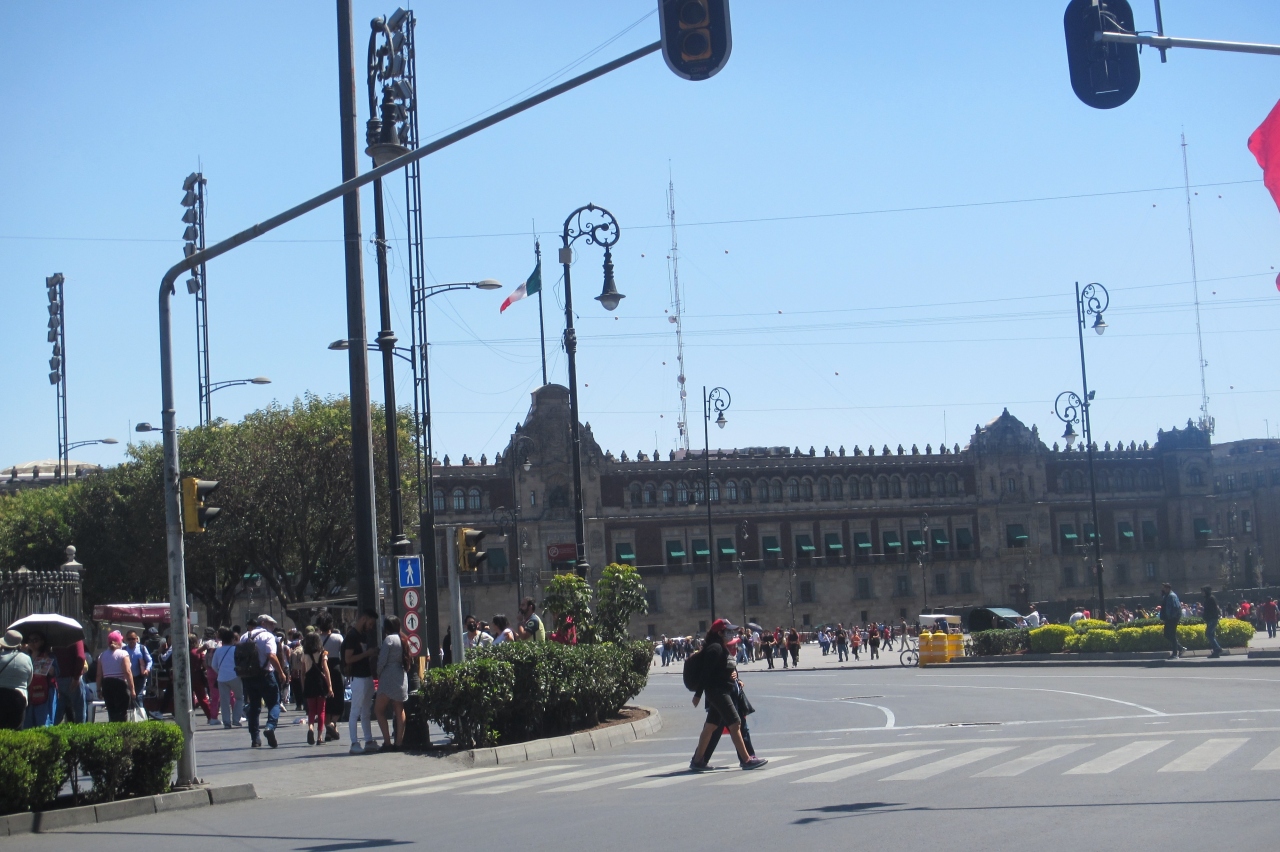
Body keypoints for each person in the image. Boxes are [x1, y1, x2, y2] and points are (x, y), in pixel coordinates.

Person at [689, 619, 767, 771]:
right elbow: (706, 673)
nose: (732, 634)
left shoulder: (720, 647)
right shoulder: (715, 648)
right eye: (728, 631)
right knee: (735, 723)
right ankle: (746, 760)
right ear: (719, 633)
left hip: (720, 691)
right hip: (719, 692)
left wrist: (735, 677)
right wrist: (698, 695)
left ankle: (697, 761)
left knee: (711, 726)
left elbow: (721, 670)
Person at [241, 614, 286, 748]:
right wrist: (281, 672)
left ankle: (255, 739)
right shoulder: (267, 636)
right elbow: (271, 655)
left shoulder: (244, 637)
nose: (273, 627)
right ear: (263, 623)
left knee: (254, 707)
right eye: (271, 624)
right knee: (274, 703)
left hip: (249, 676)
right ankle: (270, 726)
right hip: (266, 675)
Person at [342, 609, 379, 754]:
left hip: (366, 675)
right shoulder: (352, 636)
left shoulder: (362, 635)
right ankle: (354, 742)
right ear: (363, 619)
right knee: (355, 710)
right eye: (370, 623)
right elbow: (348, 659)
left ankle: (368, 740)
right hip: (357, 677)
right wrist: (367, 654)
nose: (371, 627)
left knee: (366, 710)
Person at [374, 615, 410, 752]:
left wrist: (378, 673)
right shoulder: (404, 639)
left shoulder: (389, 640)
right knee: (399, 710)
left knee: (379, 710)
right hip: (401, 676)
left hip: (388, 676)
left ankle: (387, 742)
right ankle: (399, 742)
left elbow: (382, 660)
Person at [315, 612, 345, 743]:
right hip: (335, 668)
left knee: (325, 701)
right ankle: (332, 723)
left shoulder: (316, 639)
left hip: (321, 670)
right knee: (338, 699)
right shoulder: (338, 637)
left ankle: (329, 730)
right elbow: (343, 654)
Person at [300, 631, 333, 745]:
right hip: (320, 683)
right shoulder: (322, 653)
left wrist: (303, 686)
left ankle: (310, 728)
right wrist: (330, 686)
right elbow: (326, 670)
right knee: (321, 711)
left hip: (309, 683)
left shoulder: (305, 654)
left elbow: (302, 673)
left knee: (311, 710)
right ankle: (319, 737)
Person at [95, 630, 135, 723]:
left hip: (107, 685)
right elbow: (127, 672)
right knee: (122, 713)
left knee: (111, 713)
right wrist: (132, 689)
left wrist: (98, 689)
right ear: (119, 642)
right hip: (120, 685)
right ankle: (122, 731)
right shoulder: (123, 654)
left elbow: (99, 675)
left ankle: (113, 730)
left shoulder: (102, 655)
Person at [0, 629, 33, 729]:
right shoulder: (26, 658)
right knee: (16, 729)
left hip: (1, 694)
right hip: (19, 697)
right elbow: (29, 680)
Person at [211, 627, 243, 728]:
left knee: (224, 701)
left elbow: (213, 665)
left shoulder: (218, 651)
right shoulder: (235, 649)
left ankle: (226, 722)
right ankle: (236, 719)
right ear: (232, 639)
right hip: (235, 676)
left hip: (221, 678)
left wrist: (220, 672)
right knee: (239, 698)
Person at [53, 638, 87, 724]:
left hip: (59, 679)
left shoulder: (55, 640)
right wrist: (76, 677)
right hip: (72, 679)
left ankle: (50, 729)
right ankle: (80, 731)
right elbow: (81, 657)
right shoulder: (76, 638)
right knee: (79, 711)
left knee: (57, 712)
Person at [123, 630, 152, 715]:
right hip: (128, 678)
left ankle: (141, 717)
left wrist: (147, 669)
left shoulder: (142, 648)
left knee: (138, 696)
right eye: (129, 639)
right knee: (129, 697)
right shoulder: (124, 649)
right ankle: (132, 716)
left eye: (133, 639)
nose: (131, 641)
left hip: (139, 677)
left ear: (136, 639)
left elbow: (149, 660)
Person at [1160, 582, 1184, 659]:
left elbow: (1176, 607)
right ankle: (1180, 648)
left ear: (1168, 588)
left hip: (1172, 618)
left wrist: (1172, 617)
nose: (1163, 589)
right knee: (1167, 634)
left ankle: (1175, 654)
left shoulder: (1172, 596)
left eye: (1164, 588)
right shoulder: (1166, 596)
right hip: (1168, 618)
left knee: (1172, 635)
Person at [1201, 586, 1226, 658]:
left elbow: (1214, 609)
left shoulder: (1211, 598)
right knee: (1211, 635)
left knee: (1208, 634)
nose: (1202, 593)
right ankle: (1216, 652)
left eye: (1203, 591)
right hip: (1210, 619)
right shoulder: (1208, 598)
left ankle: (1217, 648)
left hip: (1212, 618)